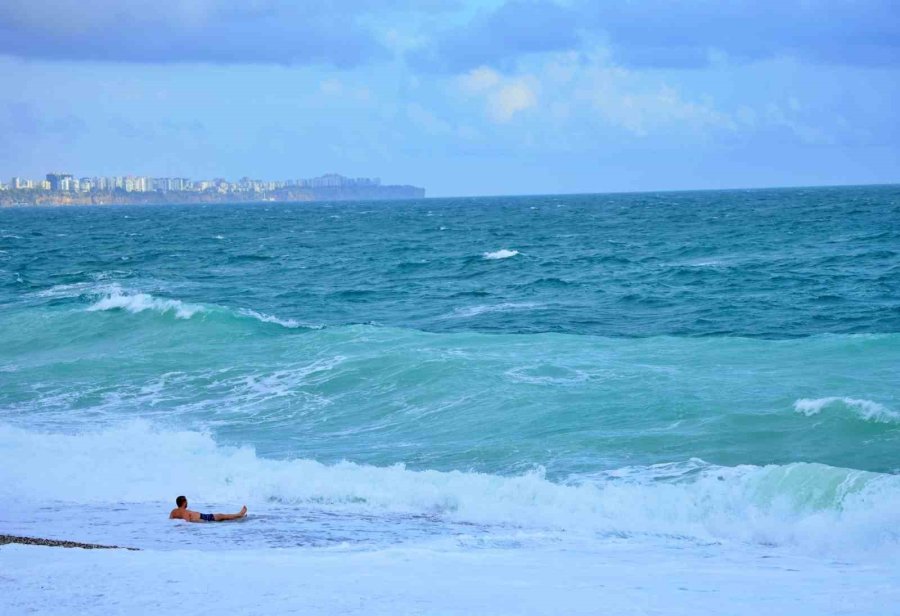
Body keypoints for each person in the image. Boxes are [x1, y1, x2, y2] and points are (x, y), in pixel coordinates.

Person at [169, 495, 247, 522]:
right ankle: (239, 514)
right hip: (204, 517)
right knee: (222, 516)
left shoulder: (173, 511)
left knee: (222, 518)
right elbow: (187, 520)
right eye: (187, 501)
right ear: (184, 502)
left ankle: (238, 516)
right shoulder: (184, 511)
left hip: (203, 517)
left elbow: (171, 519)